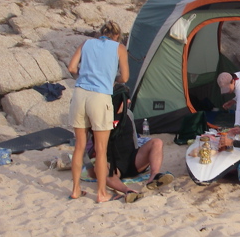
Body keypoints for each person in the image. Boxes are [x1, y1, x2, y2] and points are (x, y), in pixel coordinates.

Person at [67, 20, 129, 203]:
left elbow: (71, 68)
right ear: (117, 36)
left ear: (101, 33)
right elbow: (125, 77)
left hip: (80, 94)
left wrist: (84, 77)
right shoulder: (119, 48)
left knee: (79, 146)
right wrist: (113, 79)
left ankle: (75, 189)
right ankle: (102, 193)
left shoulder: (86, 43)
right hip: (100, 96)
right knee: (101, 149)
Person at [86, 84, 174, 202]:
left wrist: (141, 154)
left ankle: (154, 176)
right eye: (125, 99)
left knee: (157, 142)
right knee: (100, 167)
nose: (128, 102)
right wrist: (89, 167)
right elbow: (85, 144)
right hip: (113, 165)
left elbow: (134, 138)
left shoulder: (128, 114)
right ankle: (128, 191)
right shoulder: (101, 118)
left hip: (132, 159)